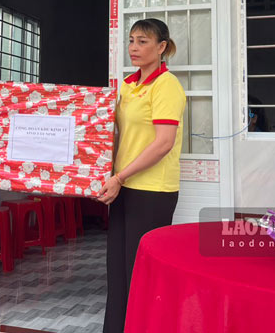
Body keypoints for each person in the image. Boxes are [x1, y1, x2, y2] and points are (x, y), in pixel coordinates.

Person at [97, 18, 186, 333]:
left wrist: (119, 177)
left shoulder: (166, 85)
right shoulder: (128, 84)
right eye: (132, 40)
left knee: (141, 272)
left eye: (143, 41)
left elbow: (163, 143)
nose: (134, 47)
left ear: (161, 47)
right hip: (123, 186)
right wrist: (104, 172)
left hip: (152, 191)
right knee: (118, 271)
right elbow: (117, 135)